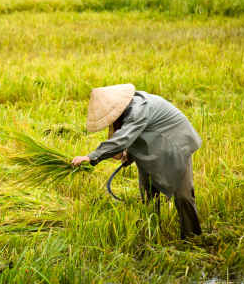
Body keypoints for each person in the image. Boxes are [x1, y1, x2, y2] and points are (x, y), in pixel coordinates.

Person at [72, 84, 203, 239]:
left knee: (183, 196)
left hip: (176, 144)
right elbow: (139, 133)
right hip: (151, 147)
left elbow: (122, 139)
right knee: (147, 195)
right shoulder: (128, 111)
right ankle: (152, 235)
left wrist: (91, 157)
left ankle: (192, 238)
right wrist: (131, 155)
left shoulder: (137, 110)